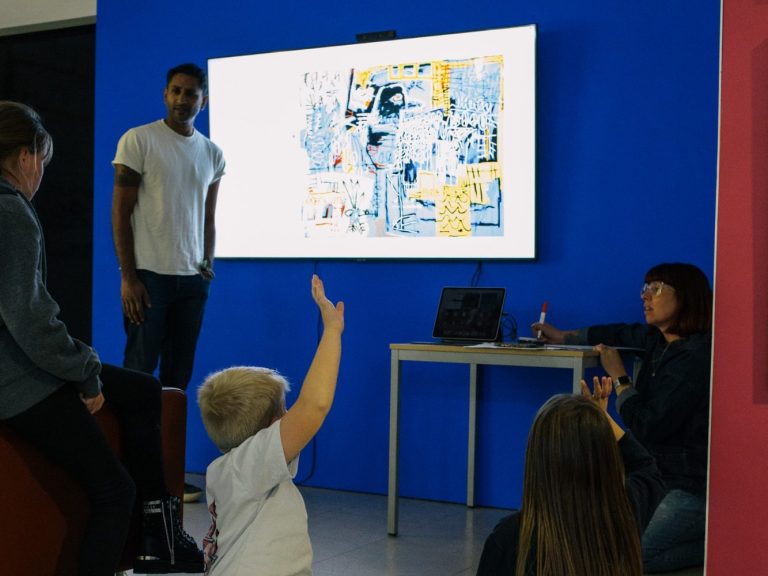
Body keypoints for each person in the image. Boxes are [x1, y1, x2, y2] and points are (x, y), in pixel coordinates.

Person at [0, 100, 203, 575]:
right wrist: (86, 373)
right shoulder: (11, 213)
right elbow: (29, 320)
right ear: (26, 156)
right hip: (15, 381)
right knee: (114, 491)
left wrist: (84, 366)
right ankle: (155, 539)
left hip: (16, 368)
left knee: (141, 388)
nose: (41, 175)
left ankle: (162, 535)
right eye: (43, 163)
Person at [532, 262, 712, 572]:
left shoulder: (696, 357)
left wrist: (620, 379)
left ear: (685, 296)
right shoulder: (657, 340)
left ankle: (716, 546)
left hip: (686, 488)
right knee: (606, 548)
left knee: (623, 559)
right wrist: (565, 336)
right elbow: (616, 332)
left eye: (655, 289)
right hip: (655, 481)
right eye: (644, 289)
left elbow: (648, 425)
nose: (645, 297)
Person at [112, 62, 226, 502]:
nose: (183, 99)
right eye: (176, 91)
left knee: (177, 381)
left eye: (191, 93)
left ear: (204, 100)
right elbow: (120, 211)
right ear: (165, 94)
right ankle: (129, 477)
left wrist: (207, 262)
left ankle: (169, 479)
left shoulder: (212, 153)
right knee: (139, 378)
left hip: (191, 282)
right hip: (149, 279)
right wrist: (128, 277)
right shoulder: (138, 140)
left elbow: (209, 215)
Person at [197, 274, 344, 576]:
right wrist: (332, 330)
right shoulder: (248, 466)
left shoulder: (233, 470)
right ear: (271, 428)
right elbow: (314, 406)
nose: (291, 416)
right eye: (285, 412)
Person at [476, 377, 666, 576]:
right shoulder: (623, 515)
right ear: (607, 455)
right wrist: (602, 419)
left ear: (537, 458)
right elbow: (645, 467)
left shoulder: (511, 537)